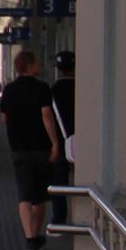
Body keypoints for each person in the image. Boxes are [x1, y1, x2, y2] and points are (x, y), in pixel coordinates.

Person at [0, 48, 66, 250]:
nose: (41, 65)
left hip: (18, 149)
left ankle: (30, 238)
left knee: (24, 195)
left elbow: (4, 118)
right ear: (29, 65)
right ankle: (34, 236)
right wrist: (55, 143)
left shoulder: (9, 90)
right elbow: (47, 116)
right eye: (37, 62)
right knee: (39, 197)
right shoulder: (42, 88)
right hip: (41, 148)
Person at [48, 52, 77, 226]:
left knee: (59, 181)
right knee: (86, 180)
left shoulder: (53, 91)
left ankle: (59, 218)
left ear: (58, 69)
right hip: (86, 142)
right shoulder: (85, 88)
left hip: (61, 142)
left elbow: (48, 118)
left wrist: (53, 144)